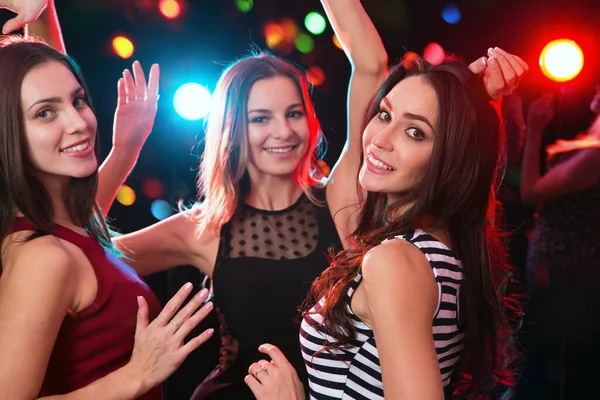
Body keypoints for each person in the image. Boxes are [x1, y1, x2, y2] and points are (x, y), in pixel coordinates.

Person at [22, 1, 526, 398]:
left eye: (294, 112)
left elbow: (370, 64)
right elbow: (84, 243)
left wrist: (471, 110)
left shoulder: (346, 201)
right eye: (260, 118)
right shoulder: (204, 228)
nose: (282, 131)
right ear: (231, 130)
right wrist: (125, 149)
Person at [0, 36, 215, 399]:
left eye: (77, 100)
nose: (79, 122)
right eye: (44, 112)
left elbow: (85, 224)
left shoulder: (65, 225)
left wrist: (126, 147)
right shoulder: (43, 256)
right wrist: (135, 376)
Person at [518, 87, 600, 399]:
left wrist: (536, 127)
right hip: (559, 267)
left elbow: (530, 191)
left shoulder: (595, 156)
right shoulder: (589, 144)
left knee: (553, 361)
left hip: (568, 273)